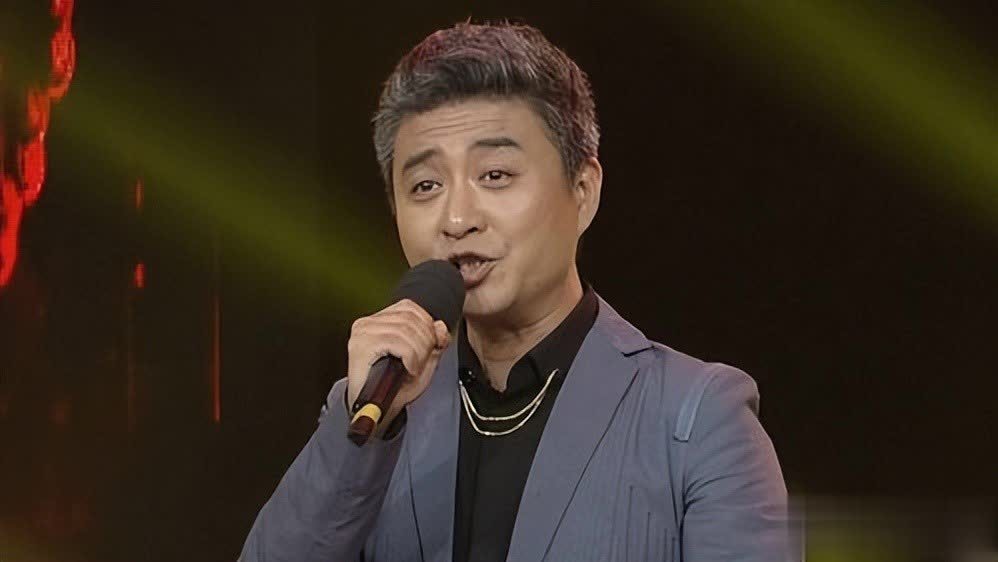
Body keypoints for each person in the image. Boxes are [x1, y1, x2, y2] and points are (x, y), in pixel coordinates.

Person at [240, 21, 790, 562]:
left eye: (495, 175)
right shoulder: (380, 405)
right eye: (425, 185)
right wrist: (362, 430)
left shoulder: (697, 418)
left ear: (583, 191)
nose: (457, 219)